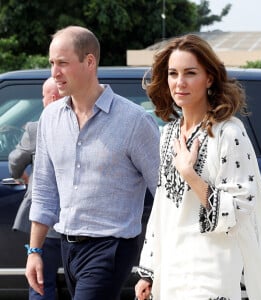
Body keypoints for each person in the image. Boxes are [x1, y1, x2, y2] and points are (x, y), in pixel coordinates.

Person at [135, 34, 261, 300]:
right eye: (173, 73)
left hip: (211, 270)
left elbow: (238, 212)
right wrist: (148, 272)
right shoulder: (169, 133)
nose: (179, 82)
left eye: (190, 73)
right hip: (171, 267)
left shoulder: (228, 133)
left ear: (209, 78)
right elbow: (162, 207)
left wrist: (190, 175)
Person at [25, 26, 160, 300]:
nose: (54, 73)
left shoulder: (134, 121)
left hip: (112, 247)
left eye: (63, 63)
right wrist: (35, 251)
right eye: (52, 63)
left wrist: (155, 262)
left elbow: (165, 194)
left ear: (89, 61)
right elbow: (43, 189)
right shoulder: (50, 118)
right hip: (67, 245)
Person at [8, 77, 62, 300]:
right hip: (80, 224)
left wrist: (24, 176)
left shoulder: (35, 129)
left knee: (41, 282)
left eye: (42, 95)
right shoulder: (86, 124)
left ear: (52, 97)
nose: (42, 100)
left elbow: (14, 164)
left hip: (45, 222)